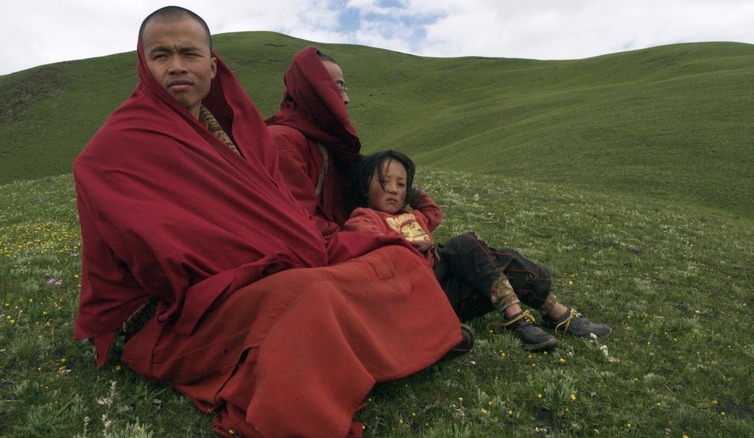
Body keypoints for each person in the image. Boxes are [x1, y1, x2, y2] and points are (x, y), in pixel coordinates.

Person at [72, 7, 466, 437]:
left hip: (259, 271)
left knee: (395, 256)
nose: (177, 66)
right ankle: (379, 349)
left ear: (212, 65)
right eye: (161, 55)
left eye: (189, 53)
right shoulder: (114, 151)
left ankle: (410, 339)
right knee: (310, 293)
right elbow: (160, 260)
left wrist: (305, 245)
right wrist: (270, 256)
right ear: (144, 66)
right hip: (179, 311)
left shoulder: (235, 134)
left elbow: (283, 215)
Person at [345, 150, 614, 351]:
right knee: (462, 245)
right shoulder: (365, 217)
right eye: (383, 182)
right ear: (364, 186)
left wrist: (411, 195)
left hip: (444, 287)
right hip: (421, 294)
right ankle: (523, 318)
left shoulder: (412, 216)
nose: (393, 190)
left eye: (400, 184)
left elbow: (433, 212)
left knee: (499, 261)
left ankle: (553, 314)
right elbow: (369, 244)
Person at [265, 47, 359, 231]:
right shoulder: (281, 140)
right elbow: (297, 222)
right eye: (338, 87)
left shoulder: (326, 143)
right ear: (312, 90)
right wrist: (364, 237)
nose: (346, 99)